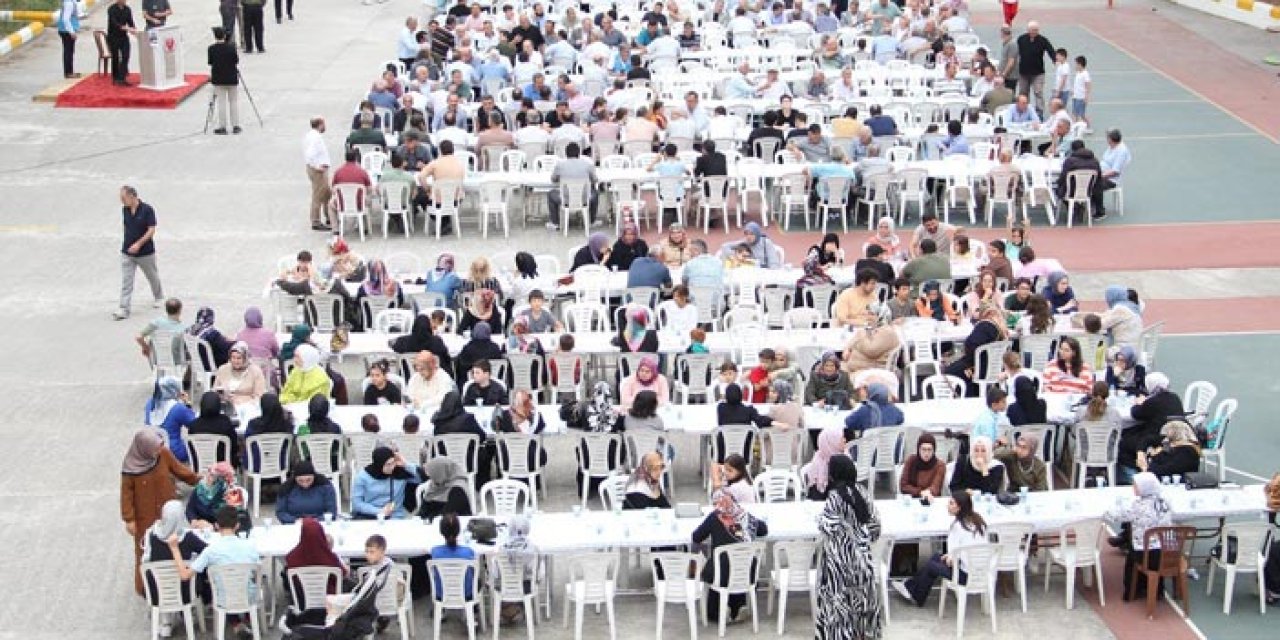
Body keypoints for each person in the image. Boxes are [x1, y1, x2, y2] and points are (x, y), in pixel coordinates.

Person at [122, 428, 199, 595]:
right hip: (145, 516)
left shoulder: (163, 454)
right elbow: (126, 494)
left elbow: (180, 470)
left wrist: (199, 480)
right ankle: (146, 588)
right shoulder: (131, 468)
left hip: (168, 513)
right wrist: (129, 518)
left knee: (175, 546)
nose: (158, 451)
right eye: (155, 449)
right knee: (144, 550)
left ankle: (174, 585)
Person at [816, 454, 884, 639]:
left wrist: (818, 519)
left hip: (840, 565)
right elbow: (875, 527)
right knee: (862, 604)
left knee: (840, 609)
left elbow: (828, 526)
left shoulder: (835, 496)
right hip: (862, 561)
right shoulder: (862, 492)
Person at [279, 534, 392, 638]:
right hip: (348, 601)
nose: (367, 555)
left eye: (371, 552)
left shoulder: (295, 556)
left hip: (311, 599)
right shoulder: (332, 558)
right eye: (367, 551)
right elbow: (344, 573)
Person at [894, 492, 988, 606]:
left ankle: (916, 595)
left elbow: (951, 561)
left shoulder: (958, 527)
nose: (948, 505)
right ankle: (910, 587)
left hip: (965, 575)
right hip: (983, 571)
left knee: (931, 566)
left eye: (951, 503)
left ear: (959, 507)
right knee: (936, 557)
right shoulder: (979, 521)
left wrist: (949, 558)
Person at [693, 490, 769, 622]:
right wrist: (741, 513)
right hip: (747, 572)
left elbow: (696, 537)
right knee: (738, 566)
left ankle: (719, 610)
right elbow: (763, 530)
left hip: (721, 573)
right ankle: (739, 606)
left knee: (717, 568)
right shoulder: (743, 516)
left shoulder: (714, 517)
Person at [1104, 472, 1174, 600]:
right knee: (1144, 545)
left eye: (1135, 485)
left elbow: (1115, 516)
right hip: (1166, 552)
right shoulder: (1165, 502)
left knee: (1132, 553)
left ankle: (1132, 590)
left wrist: (1105, 510)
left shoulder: (1138, 507)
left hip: (1148, 554)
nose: (1133, 487)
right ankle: (1157, 590)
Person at [113, 186, 164, 320]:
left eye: (123, 198)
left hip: (145, 253)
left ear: (132, 196)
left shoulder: (147, 209)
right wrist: (128, 241)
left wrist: (138, 244)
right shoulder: (125, 209)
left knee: (152, 276)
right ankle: (124, 309)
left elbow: (151, 230)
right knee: (126, 281)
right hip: (127, 252)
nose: (121, 201)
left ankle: (159, 297)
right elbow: (125, 226)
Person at [1120, 372, 1185, 469]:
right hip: (1176, 436)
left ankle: (1136, 469)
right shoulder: (1175, 397)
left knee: (1123, 443)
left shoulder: (1153, 402)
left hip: (1157, 438)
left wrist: (1140, 403)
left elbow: (1136, 413)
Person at [283, 517, 347, 610]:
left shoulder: (293, 557)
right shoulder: (329, 557)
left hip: (303, 601)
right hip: (330, 601)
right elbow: (343, 574)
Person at [431, 392, 491, 486]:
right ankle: (481, 485)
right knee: (485, 452)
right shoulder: (468, 419)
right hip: (468, 461)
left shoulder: (438, 421)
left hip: (446, 461)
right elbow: (482, 436)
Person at [352, 446, 418, 520]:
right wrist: (379, 511)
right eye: (388, 464)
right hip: (369, 516)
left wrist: (406, 464)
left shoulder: (399, 472)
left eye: (393, 463)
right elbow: (356, 503)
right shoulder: (363, 477)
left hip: (395, 516)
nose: (392, 467)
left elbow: (422, 478)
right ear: (379, 464)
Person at [145, 376, 195, 462]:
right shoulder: (177, 408)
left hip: (152, 448)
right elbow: (194, 424)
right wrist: (188, 404)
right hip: (174, 451)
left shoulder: (150, 403)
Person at [187, 391, 242, 469]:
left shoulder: (193, 425)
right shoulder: (225, 423)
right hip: (224, 467)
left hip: (200, 466)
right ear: (219, 405)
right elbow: (234, 446)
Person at [428, 513, 477, 599]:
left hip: (442, 595)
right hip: (466, 595)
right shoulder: (468, 552)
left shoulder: (435, 552)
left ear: (441, 531)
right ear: (458, 531)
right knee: (478, 579)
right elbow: (473, 572)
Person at [206, 27, 241, 135]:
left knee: (221, 103)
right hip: (231, 78)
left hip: (218, 79)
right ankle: (235, 125)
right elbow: (236, 60)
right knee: (233, 102)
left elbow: (210, 62)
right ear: (224, 36)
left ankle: (222, 126)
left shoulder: (211, 48)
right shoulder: (231, 47)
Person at [1136, 420, 1201, 479]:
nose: (1165, 438)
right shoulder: (1172, 448)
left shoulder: (1187, 451)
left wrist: (1146, 467)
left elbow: (1168, 469)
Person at [213, 342, 266, 409]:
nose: (235, 361)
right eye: (233, 357)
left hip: (248, 406)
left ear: (245, 358)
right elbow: (215, 391)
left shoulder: (255, 371)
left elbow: (259, 395)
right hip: (225, 405)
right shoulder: (223, 369)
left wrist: (246, 406)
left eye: (239, 358)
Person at [303, 117, 333, 231]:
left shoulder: (310, 135)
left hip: (316, 169)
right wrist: (316, 166)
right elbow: (310, 154)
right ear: (320, 124)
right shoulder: (316, 138)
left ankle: (329, 216)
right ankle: (315, 220)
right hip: (318, 171)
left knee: (327, 194)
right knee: (318, 195)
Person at [805, 427, 847, 501]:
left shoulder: (846, 457)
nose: (845, 440)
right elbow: (816, 497)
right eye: (841, 438)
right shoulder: (819, 465)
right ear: (832, 442)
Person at [899, 433, 946, 500]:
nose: (926, 453)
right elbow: (903, 486)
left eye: (929, 450)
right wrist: (920, 492)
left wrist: (927, 492)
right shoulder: (911, 461)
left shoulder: (940, 465)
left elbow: (935, 487)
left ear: (934, 450)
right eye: (923, 449)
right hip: (912, 500)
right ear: (918, 449)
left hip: (931, 500)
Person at [106, 0, 137, 85]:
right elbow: (114, 23)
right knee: (115, 57)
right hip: (113, 36)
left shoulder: (127, 9)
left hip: (123, 36)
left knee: (126, 55)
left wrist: (134, 29)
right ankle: (115, 78)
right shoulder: (111, 9)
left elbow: (130, 21)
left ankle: (122, 77)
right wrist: (123, 27)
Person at [56, 0, 81, 79]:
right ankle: (68, 72)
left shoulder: (70, 2)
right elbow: (66, 19)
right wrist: (71, 32)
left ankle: (70, 71)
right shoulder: (69, 3)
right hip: (66, 31)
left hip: (65, 30)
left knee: (69, 51)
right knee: (68, 51)